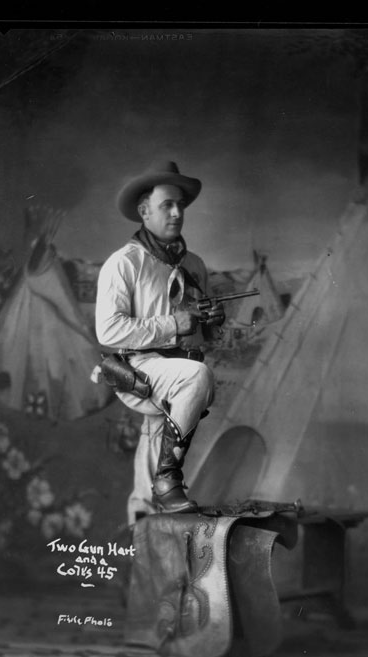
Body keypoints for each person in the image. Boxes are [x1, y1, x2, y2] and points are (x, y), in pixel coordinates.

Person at [95, 161, 225, 522]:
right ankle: (168, 481)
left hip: (179, 369)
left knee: (155, 439)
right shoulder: (124, 263)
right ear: (144, 211)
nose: (177, 212)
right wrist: (172, 323)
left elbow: (201, 333)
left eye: (181, 204)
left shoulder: (194, 265)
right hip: (140, 367)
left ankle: (147, 513)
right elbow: (108, 330)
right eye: (167, 204)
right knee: (196, 377)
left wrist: (212, 323)